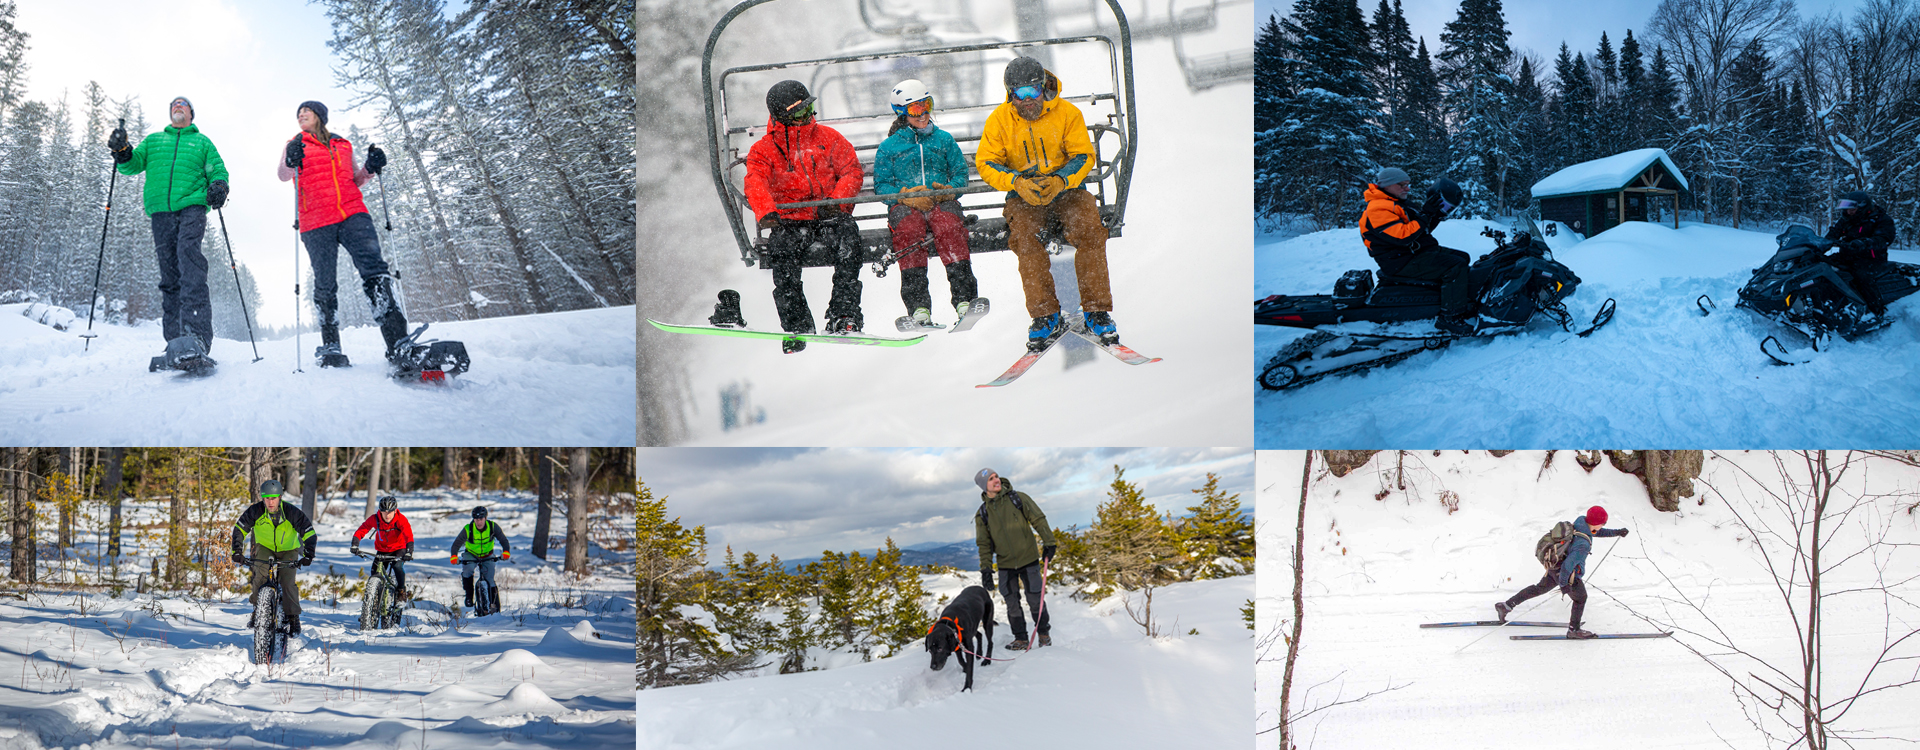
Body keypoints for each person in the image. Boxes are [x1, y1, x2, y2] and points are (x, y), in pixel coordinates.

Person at [977, 57, 1120, 350]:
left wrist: (1061, 180)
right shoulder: (1000, 121)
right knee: (1024, 240)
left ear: (1044, 87)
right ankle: (1045, 316)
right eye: (1020, 94)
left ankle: (1096, 310)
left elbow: (1083, 155)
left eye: (1034, 92)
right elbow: (987, 162)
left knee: (1090, 230)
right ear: (1010, 94)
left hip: (1067, 190)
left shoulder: (1066, 114)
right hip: (1024, 195)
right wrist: (1016, 182)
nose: (1028, 101)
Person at [276, 100, 404, 368]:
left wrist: (370, 168)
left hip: (352, 213)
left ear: (320, 116)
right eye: (298, 113)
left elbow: (355, 179)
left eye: (306, 111)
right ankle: (331, 345)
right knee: (325, 282)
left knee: (374, 269)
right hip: (315, 220)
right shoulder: (295, 144)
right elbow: (283, 175)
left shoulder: (343, 145)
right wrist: (291, 158)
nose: (301, 115)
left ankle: (397, 341)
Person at [744, 80, 866, 347]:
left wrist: (837, 201)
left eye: (809, 109)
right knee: (782, 259)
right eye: (799, 113)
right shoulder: (764, 151)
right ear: (783, 116)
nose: (807, 117)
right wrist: (766, 211)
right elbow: (755, 181)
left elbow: (851, 170)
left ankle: (844, 315)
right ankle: (798, 324)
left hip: (828, 214)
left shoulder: (828, 138)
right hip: (790, 220)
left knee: (849, 247)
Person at [108, 96, 230, 364]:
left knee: (189, 258)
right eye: (174, 104)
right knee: (169, 273)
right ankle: (175, 341)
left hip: (192, 206)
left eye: (183, 104)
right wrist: (122, 150)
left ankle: (196, 337)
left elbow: (217, 169)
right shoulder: (154, 141)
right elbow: (131, 165)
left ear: (191, 114)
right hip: (161, 211)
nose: (177, 106)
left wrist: (219, 185)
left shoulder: (201, 142)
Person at [873, 78, 978, 327]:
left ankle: (964, 299)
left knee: (950, 227)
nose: (923, 114)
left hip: (941, 202)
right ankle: (918, 306)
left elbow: (961, 174)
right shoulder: (890, 147)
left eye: (927, 105)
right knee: (908, 232)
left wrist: (949, 191)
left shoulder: (943, 140)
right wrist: (904, 195)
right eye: (915, 110)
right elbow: (882, 186)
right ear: (902, 113)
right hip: (906, 206)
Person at [1358, 167, 1472, 333]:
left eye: (1408, 184)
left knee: (1463, 257)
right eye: (1402, 185)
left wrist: (1434, 215)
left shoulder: (1396, 203)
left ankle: (1451, 299)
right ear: (1387, 185)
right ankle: (1450, 317)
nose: (1407, 188)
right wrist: (1425, 214)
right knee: (1455, 267)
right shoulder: (1378, 209)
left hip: (1414, 254)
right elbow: (1403, 236)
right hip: (1402, 261)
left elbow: (1420, 230)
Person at [1495, 505, 1629, 639]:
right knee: (1581, 599)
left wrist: (1617, 532)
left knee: (1538, 588)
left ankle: (1506, 606)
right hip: (1567, 574)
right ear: (1596, 523)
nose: (1603, 526)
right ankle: (1574, 630)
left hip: (1554, 567)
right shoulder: (1583, 544)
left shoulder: (1580, 523)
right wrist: (1564, 584)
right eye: (1603, 523)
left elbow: (1596, 532)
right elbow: (1568, 566)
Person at [973, 468, 1056, 650]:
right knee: (1011, 603)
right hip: (1005, 564)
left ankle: (1043, 634)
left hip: (1029, 559)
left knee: (1035, 599)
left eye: (996, 476)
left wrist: (1049, 542)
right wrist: (986, 569)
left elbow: (1038, 519)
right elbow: (984, 544)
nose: (996, 480)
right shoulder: (983, 513)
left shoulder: (1018, 498)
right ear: (983, 486)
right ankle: (1020, 638)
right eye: (991, 479)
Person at [229, 480, 317, 634]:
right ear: (262, 498)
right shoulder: (255, 511)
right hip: (265, 547)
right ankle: (258, 610)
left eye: (274, 498)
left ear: (280, 497)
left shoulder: (291, 512)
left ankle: (293, 617)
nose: (270, 502)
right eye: (267, 498)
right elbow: (239, 530)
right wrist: (236, 551)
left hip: (288, 549)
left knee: (287, 581)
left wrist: (308, 554)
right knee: (260, 575)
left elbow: (308, 532)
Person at [1823, 190, 1898, 316]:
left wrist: (1864, 243)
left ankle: (1876, 311)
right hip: (1847, 256)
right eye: (1847, 209)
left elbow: (1884, 238)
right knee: (1822, 265)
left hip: (1871, 259)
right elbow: (1834, 232)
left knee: (1862, 276)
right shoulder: (1847, 219)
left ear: (1863, 207)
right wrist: (1821, 243)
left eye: (1852, 209)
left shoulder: (1880, 219)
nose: (1848, 212)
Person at [352, 495, 415, 600]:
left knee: (397, 566)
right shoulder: (375, 519)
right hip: (382, 549)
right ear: (380, 511)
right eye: (384, 512)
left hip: (399, 549)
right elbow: (362, 530)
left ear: (395, 511)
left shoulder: (401, 520)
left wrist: (409, 552)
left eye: (390, 512)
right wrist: (355, 544)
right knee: (375, 573)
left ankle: (401, 591)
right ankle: (375, 600)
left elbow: (408, 536)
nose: (387, 515)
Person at [449, 505, 511, 610]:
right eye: (476, 519)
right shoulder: (468, 529)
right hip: (471, 554)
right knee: (467, 570)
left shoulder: (492, 527)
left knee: (490, 579)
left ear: (485, 518)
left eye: (481, 519)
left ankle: (494, 604)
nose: (479, 522)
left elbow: (504, 540)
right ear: (473, 519)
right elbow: (456, 545)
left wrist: (506, 552)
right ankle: (469, 596)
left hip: (487, 555)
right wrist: (454, 556)